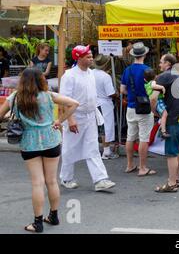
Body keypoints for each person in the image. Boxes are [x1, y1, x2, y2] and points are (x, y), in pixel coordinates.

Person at [0, 68, 79, 233]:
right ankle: (54, 215)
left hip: (29, 143)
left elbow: (0, 114)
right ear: (41, 80)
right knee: (52, 181)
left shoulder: (15, 98)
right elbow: (74, 104)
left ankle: (37, 223)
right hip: (51, 140)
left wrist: (11, 116)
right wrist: (59, 121)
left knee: (37, 182)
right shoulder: (49, 95)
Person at [59, 45, 116, 192]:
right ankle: (66, 178)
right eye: (88, 56)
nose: (91, 59)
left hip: (90, 115)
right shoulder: (69, 76)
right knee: (69, 148)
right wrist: (70, 119)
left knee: (92, 148)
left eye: (91, 56)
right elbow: (64, 99)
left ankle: (100, 180)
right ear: (79, 58)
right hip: (75, 116)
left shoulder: (91, 73)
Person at [150, 54, 179, 192]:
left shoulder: (164, 76)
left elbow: (153, 98)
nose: (159, 65)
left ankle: (171, 183)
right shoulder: (178, 76)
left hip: (174, 118)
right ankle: (176, 179)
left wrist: (154, 112)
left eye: (161, 62)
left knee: (171, 153)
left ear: (167, 63)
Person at [120, 42, 156, 176]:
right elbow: (152, 91)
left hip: (130, 107)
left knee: (130, 136)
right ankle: (142, 168)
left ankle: (129, 165)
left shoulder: (127, 70)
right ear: (145, 54)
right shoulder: (148, 70)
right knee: (143, 138)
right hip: (145, 108)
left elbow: (122, 89)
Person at [93, 54, 119, 160]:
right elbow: (110, 93)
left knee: (95, 128)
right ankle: (106, 151)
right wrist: (117, 94)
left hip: (93, 102)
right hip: (104, 104)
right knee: (105, 128)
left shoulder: (90, 73)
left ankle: (94, 151)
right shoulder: (105, 76)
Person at [143, 68, 169, 138]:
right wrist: (162, 87)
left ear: (144, 79)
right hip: (158, 101)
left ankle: (161, 126)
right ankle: (163, 130)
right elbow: (153, 86)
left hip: (155, 103)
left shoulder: (146, 85)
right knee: (165, 114)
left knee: (163, 115)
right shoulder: (152, 82)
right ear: (155, 77)